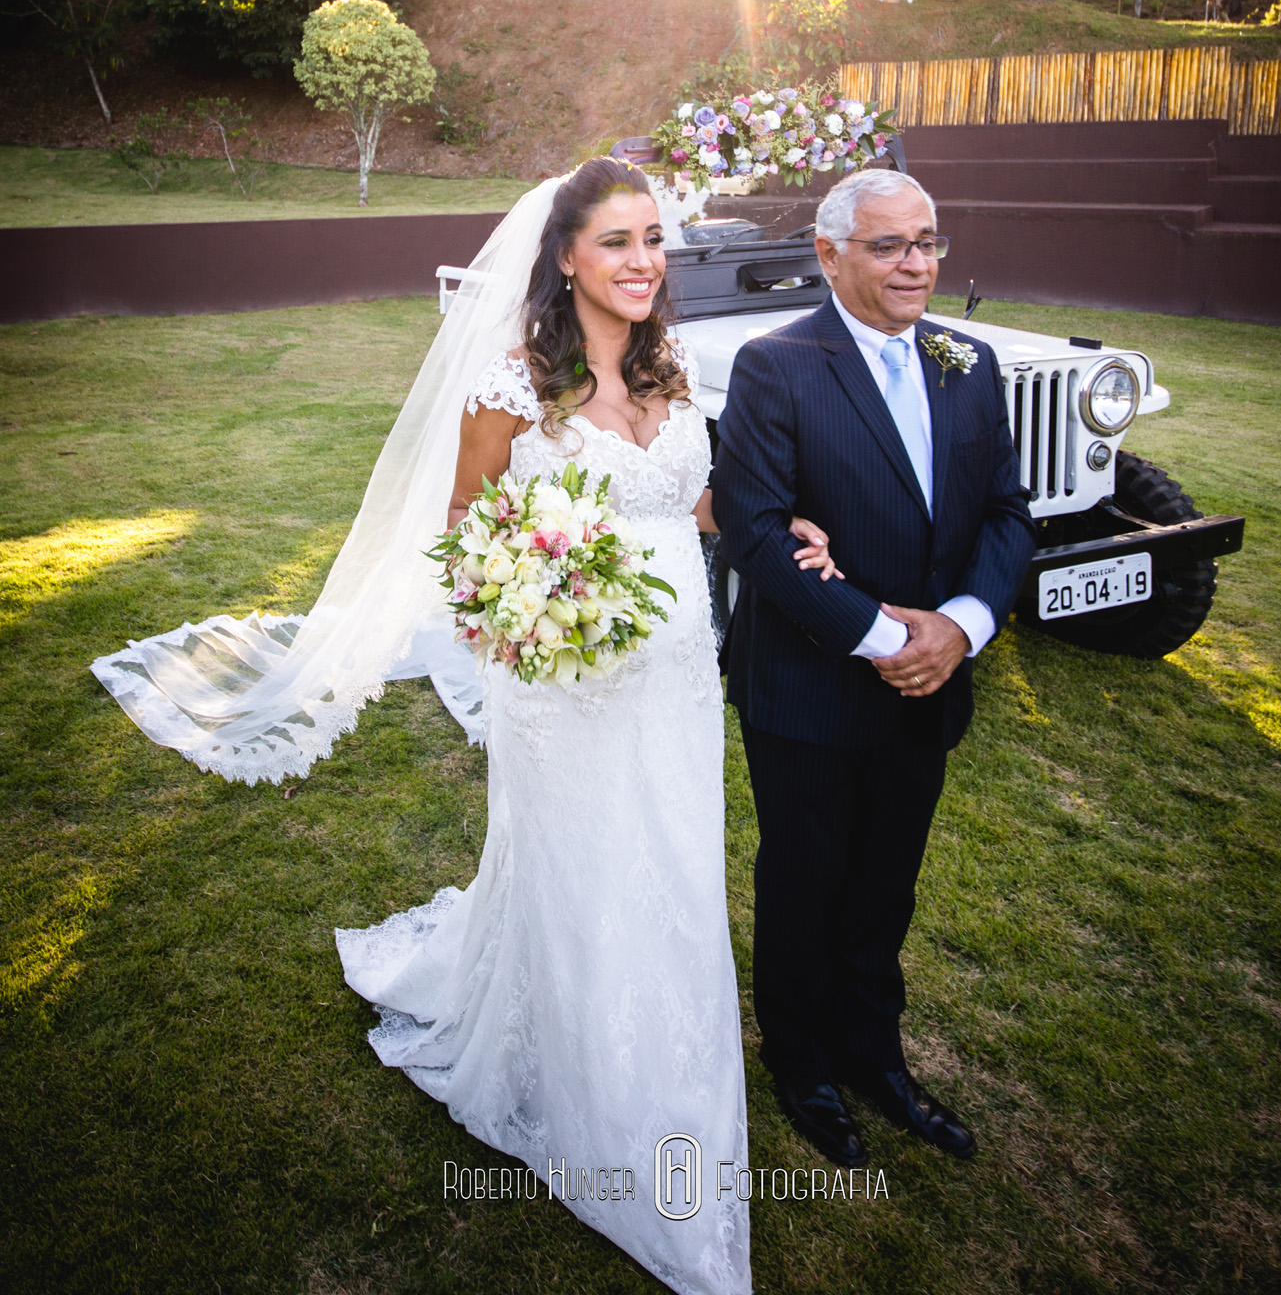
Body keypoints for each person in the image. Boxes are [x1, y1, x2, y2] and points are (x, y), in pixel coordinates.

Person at [94, 159, 839, 1295]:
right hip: (566, 679)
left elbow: (694, 501)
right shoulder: (511, 383)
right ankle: (600, 1096)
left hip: (678, 673)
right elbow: (463, 524)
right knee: (583, 869)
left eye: (653, 238)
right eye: (617, 240)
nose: (643, 260)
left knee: (673, 861)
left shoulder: (671, 365)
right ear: (566, 257)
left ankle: (658, 1054)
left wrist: (781, 530)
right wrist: (531, 605)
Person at [711, 167, 1036, 1171]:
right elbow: (757, 533)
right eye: (888, 245)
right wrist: (888, 640)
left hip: (932, 681)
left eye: (926, 242)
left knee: (886, 882)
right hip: (808, 685)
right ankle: (801, 1062)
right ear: (829, 253)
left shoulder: (967, 361)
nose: (914, 264)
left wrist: (961, 627)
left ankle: (873, 1051)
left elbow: (1004, 511)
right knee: (804, 879)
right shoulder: (775, 365)